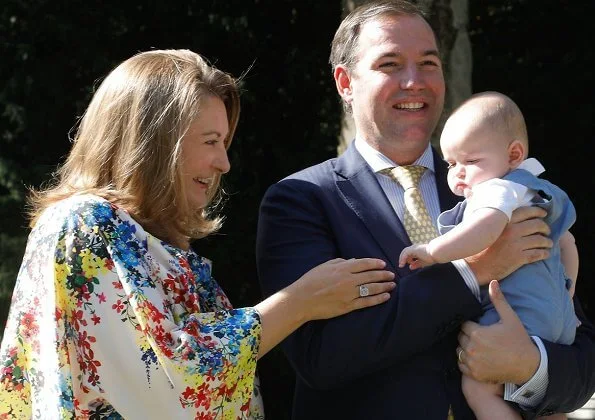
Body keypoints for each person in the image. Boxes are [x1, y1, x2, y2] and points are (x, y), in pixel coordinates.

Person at [0, 49, 398, 419]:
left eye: (224, 143)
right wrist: (298, 303)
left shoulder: (139, 237)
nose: (224, 162)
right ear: (154, 141)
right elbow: (169, 381)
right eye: (211, 141)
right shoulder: (85, 224)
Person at [255, 1, 595, 419]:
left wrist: (531, 367)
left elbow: (581, 354)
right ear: (345, 82)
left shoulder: (497, 185)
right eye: (391, 64)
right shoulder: (301, 200)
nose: (414, 81)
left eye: (429, 63)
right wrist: (473, 270)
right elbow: (321, 359)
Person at [398, 91, 579, 420]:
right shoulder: (538, 191)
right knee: (538, 407)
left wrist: (433, 250)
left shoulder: (497, 190)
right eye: (452, 163)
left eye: (471, 161)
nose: (459, 173)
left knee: (479, 389)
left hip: (520, 314)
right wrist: (568, 286)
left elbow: (483, 230)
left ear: (513, 155)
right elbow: (567, 243)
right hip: (558, 322)